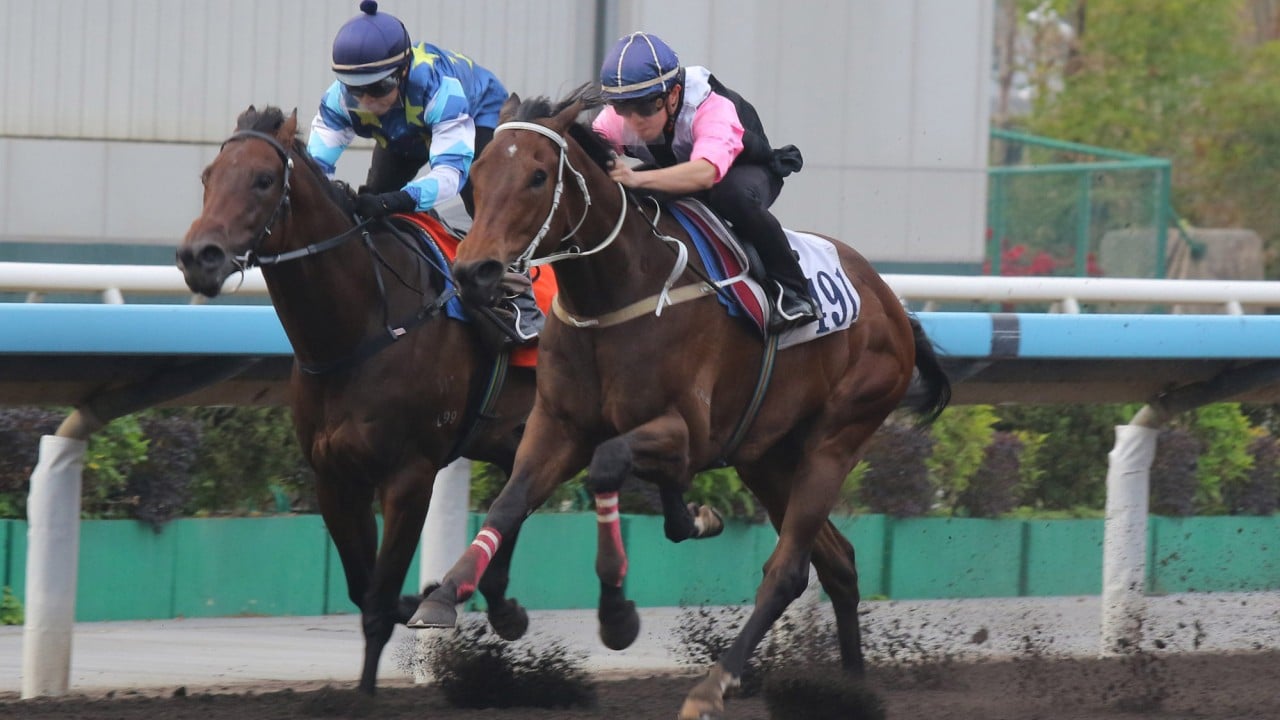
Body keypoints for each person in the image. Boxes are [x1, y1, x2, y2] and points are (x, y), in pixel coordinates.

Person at [307, 1, 542, 345]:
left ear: (402, 73)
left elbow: (450, 176)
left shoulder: (438, 88)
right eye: (356, 90)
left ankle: (523, 305)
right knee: (369, 210)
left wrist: (397, 201)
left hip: (476, 118)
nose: (367, 100)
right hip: (405, 131)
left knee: (485, 214)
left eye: (378, 87)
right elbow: (315, 170)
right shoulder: (338, 100)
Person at [592, 31, 818, 333]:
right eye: (623, 108)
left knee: (730, 195)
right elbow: (585, 155)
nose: (633, 120)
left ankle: (795, 291)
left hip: (745, 172)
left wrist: (636, 177)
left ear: (672, 95)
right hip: (685, 168)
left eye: (645, 107)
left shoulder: (711, 107)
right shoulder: (617, 120)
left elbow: (705, 173)